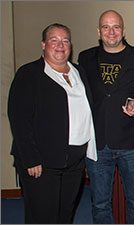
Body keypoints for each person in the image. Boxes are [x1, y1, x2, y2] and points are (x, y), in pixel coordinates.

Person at [8, 23, 97, 223]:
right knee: (42, 216)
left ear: (71, 46)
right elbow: (19, 119)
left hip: (74, 162)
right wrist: (31, 158)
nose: (60, 45)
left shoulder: (79, 72)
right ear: (43, 45)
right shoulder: (29, 74)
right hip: (42, 163)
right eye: (54, 40)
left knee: (65, 214)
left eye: (65, 40)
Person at [77, 10, 134, 224]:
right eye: (105, 27)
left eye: (116, 27)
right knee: (100, 203)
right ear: (98, 31)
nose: (111, 32)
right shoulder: (85, 57)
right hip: (97, 144)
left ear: (123, 30)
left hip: (131, 144)